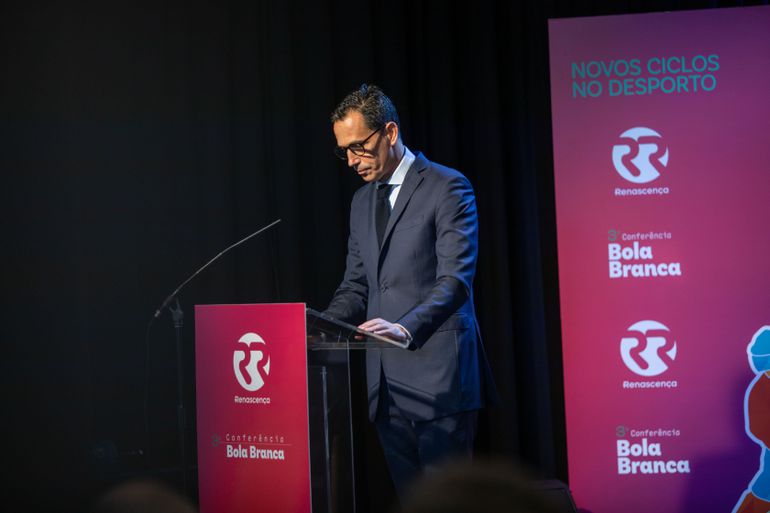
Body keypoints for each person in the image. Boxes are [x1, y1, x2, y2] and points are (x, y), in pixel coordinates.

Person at [324, 83, 495, 496]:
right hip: (386, 389)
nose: (352, 160)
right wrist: (320, 325)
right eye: (344, 151)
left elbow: (455, 280)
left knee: (450, 505)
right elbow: (356, 286)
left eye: (359, 146)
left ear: (390, 132)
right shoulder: (361, 202)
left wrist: (404, 328)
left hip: (439, 381)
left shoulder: (447, 186)